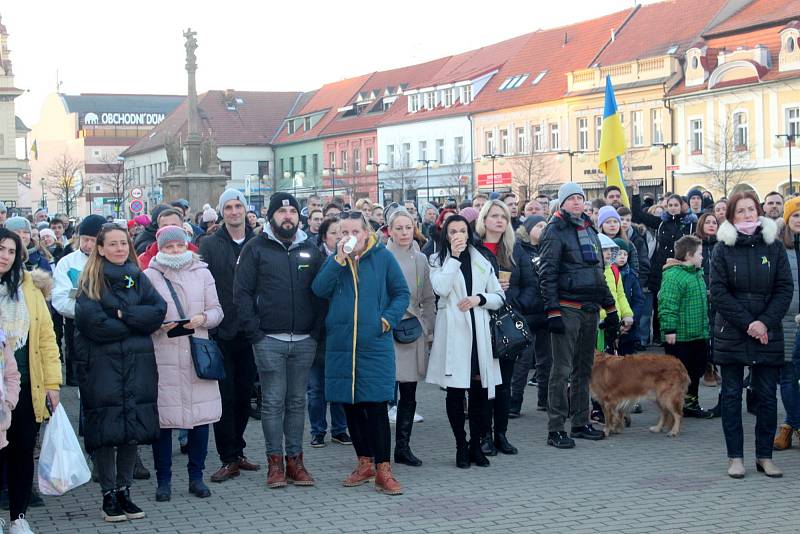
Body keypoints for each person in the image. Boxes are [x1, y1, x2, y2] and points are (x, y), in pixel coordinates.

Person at [312, 211, 409, 494]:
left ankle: (383, 469)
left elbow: (401, 293)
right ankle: (363, 462)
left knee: (376, 406)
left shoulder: (382, 257)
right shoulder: (335, 261)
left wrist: (386, 319)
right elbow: (319, 289)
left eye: (355, 231)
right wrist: (338, 261)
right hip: (342, 343)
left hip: (374, 343)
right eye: (343, 232)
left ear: (366, 232)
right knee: (350, 405)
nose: (349, 237)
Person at [74, 224, 167, 521]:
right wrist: (134, 324)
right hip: (102, 367)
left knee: (131, 431)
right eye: (112, 244)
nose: (119, 249)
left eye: (122, 244)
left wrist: (123, 315)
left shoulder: (138, 277)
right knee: (106, 431)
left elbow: (158, 312)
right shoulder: (91, 281)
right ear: (100, 248)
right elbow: (94, 324)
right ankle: (108, 494)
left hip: (137, 365)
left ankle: (125, 491)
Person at [235, 192, 323, 489]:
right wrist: (255, 333)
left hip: (304, 339)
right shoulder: (255, 248)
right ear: (271, 216)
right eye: (282, 212)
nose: (288, 216)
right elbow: (242, 293)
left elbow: (321, 291)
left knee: (297, 401)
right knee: (272, 402)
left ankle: (295, 462)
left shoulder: (310, 248)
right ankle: (274, 464)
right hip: (268, 338)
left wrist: (315, 331)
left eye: (293, 212)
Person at [710, 191, 792, 478]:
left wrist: (764, 323)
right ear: (731, 215)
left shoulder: (774, 246)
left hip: (767, 331)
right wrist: (749, 324)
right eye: (741, 211)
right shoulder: (722, 248)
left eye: (751, 210)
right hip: (732, 330)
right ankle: (735, 457)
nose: (747, 215)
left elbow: (785, 288)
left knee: (768, 396)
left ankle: (764, 457)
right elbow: (719, 292)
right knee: (731, 395)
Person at [144, 226, 223, 502]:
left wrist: (203, 319)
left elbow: (217, 310)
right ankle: (163, 480)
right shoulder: (149, 276)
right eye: (169, 247)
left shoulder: (202, 272)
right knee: (164, 422)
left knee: (200, 419)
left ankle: (196, 477)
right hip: (163, 355)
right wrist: (159, 326)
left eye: (179, 246)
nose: (175, 251)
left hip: (197, 354)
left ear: (187, 246)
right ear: (160, 249)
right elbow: (143, 317)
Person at [539, 183, 616, 449]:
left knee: (584, 369)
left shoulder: (590, 229)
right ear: (561, 203)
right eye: (571, 199)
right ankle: (556, 428)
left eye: (579, 199)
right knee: (560, 370)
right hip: (566, 306)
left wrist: (612, 308)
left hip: (590, 308)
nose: (576, 203)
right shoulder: (555, 230)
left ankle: (581, 422)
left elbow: (599, 273)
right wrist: (552, 311)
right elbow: (547, 273)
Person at [426, 215, 503, 468]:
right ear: (445, 235)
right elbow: (441, 288)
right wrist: (455, 259)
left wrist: (479, 299)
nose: (458, 235)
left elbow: (499, 296)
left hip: (479, 331)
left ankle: (476, 444)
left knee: (480, 392)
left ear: (469, 233)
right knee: (456, 391)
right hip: (454, 332)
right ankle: (460, 444)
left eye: (462, 230)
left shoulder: (481, 259)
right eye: (452, 232)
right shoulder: (438, 260)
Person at [198, 189, 261, 483]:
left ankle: (239, 450)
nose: (234, 212)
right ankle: (228, 457)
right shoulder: (209, 245)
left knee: (245, 396)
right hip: (221, 332)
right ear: (222, 212)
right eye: (229, 207)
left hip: (251, 332)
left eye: (238, 206)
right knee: (225, 397)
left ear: (245, 210)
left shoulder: (258, 242)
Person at [0, 228, 60, 533]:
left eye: (11, 251)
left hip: (27, 386)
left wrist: (53, 384)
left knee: (22, 452)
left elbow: (48, 341)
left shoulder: (31, 290)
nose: (5, 256)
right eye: (1, 249)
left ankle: (18, 517)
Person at [475, 200, 535, 456]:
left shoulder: (516, 250)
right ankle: (483, 436)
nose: (499, 220)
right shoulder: (473, 248)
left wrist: (513, 299)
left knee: (504, 383)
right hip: (479, 321)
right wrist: (488, 292)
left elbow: (532, 285)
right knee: (482, 384)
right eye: (494, 215)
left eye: (504, 217)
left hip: (508, 324)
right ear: (484, 219)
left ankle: (501, 434)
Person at [385, 209, 435, 467]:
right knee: (382, 391)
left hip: (412, 332)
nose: (404, 232)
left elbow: (428, 297)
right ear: (389, 230)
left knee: (409, 390)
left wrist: (427, 328)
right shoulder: (381, 256)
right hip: (385, 331)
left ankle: (402, 447)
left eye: (408, 227)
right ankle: (377, 450)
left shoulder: (420, 258)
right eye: (399, 228)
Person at [630, 179, 697, 345]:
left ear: (682, 206)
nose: (673, 207)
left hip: (682, 268)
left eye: (676, 204)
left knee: (679, 301)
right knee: (660, 302)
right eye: (670, 205)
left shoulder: (690, 224)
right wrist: (636, 193)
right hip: (660, 269)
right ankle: (660, 335)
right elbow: (638, 214)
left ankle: (679, 332)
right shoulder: (661, 222)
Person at [307, 218, 350, 448]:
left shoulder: (353, 257)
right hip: (318, 332)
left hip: (340, 333)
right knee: (316, 388)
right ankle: (317, 430)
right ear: (324, 237)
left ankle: (340, 429)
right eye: (334, 233)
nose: (339, 237)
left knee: (340, 385)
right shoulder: (315, 258)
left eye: (342, 233)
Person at [659, 235, 712, 417]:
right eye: (700, 254)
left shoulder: (696, 274)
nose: (702, 257)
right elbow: (667, 303)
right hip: (680, 335)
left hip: (697, 333)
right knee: (677, 373)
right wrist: (669, 329)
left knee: (695, 370)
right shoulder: (674, 276)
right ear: (689, 255)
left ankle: (690, 403)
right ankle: (673, 405)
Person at [52, 214, 106, 389]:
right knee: (80, 372)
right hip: (76, 324)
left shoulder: (109, 261)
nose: (88, 245)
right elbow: (60, 298)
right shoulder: (67, 263)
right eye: (84, 239)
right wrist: (86, 312)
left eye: (92, 240)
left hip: (106, 325)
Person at [509, 216, 551, 416]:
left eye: (545, 225)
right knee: (523, 361)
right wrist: (521, 303)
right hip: (526, 312)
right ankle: (514, 403)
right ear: (528, 229)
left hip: (546, 311)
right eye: (539, 226)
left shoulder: (549, 248)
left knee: (547, 359)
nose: (543, 229)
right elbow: (517, 280)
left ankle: (545, 399)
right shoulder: (519, 250)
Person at [774, 197, 800, 450]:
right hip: (787, 321)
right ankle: (793, 425)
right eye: (796, 216)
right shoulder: (780, 248)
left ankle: (790, 426)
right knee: (789, 377)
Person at [596, 235, 634, 354]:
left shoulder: (614, 270)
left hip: (612, 323)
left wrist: (627, 314)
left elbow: (620, 295)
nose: (608, 253)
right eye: (604, 250)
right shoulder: (589, 271)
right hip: (596, 325)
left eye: (610, 250)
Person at [695, 213, 720, 387]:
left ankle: (715, 364)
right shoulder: (695, 244)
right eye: (708, 222)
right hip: (700, 293)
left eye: (714, 222)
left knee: (716, 330)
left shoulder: (723, 245)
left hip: (719, 294)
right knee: (704, 331)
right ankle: (707, 366)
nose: (711, 225)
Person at [614, 238, 644, 356]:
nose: (622, 257)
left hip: (629, 328)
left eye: (625, 254)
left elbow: (639, 300)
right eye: (619, 253)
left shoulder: (631, 276)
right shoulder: (606, 274)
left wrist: (631, 320)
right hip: (611, 326)